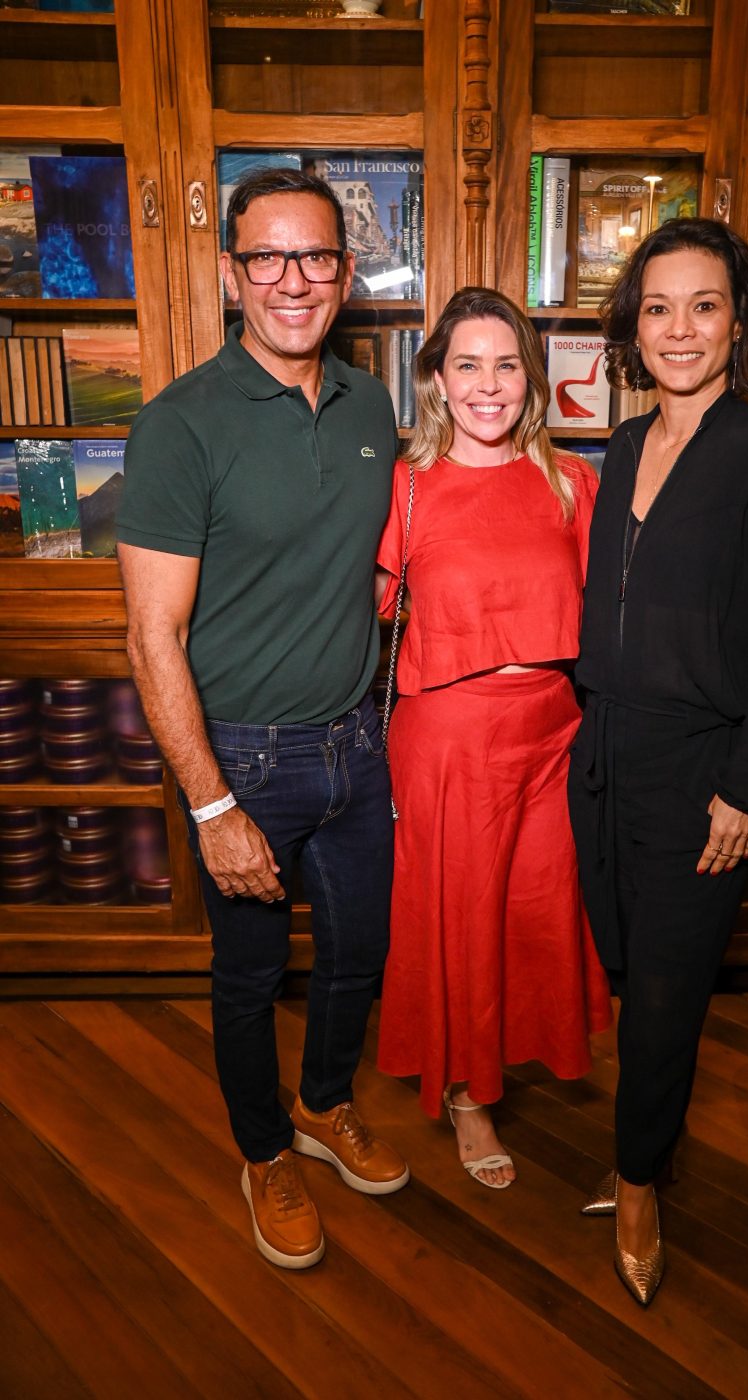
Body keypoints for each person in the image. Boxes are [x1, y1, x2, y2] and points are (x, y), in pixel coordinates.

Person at [116, 167, 409, 1272]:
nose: (295, 280)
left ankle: (324, 1103)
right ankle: (262, 1151)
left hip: (355, 744)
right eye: (270, 257)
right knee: (246, 976)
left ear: (344, 271)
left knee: (356, 956)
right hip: (241, 752)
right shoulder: (180, 424)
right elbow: (151, 637)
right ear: (232, 272)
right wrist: (211, 803)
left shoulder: (372, 403)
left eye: (317, 256)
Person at [568, 218, 748, 1305]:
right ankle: (648, 1139)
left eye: (704, 304)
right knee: (623, 965)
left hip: (699, 771)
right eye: (658, 306)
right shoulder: (622, 444)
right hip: (604, 756)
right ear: (633, 322)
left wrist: (745, 787)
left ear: (738, 321)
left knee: (668, 995)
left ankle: (635, 1183)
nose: (679, 328)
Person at [375, 287, 611, 1189]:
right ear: (436, 379)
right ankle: (471, 1098)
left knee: (540, 912)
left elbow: (612, 619)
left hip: (553, 734)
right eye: (466, 364)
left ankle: (525, 1051)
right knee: (462, 921)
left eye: (505, 364)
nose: (488, 384)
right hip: (449, 741)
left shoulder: (570, 481)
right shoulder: (407, 484)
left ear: (530, 377)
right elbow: (365, 608)